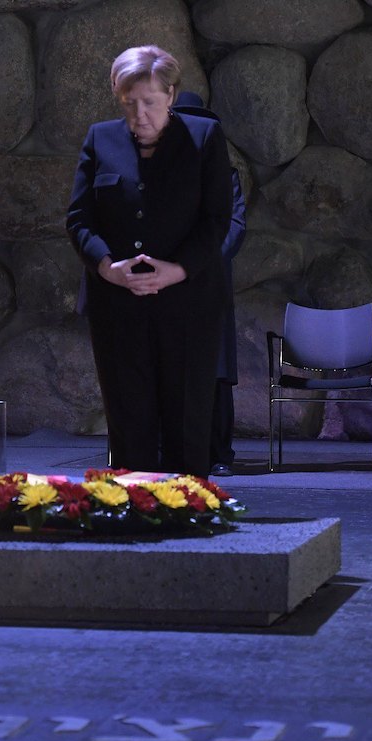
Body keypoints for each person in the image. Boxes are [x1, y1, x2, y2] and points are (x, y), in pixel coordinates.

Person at [66, 45, 232, 477]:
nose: (139, 114)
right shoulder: (100, 139)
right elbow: (79, 219)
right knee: (128, 425)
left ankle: (187, 510)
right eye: (129, 103)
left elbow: (217, 219)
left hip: (188, 306)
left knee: (186, 427)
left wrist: (177, 270)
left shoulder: (204, 138)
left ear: (171, 94)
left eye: (150, 102)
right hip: (118, 307)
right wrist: (107, 267)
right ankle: (132, 510)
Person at [171, 91, 247, 478]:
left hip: (208, 284)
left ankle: (219, 452)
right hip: (168, 287)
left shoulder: (225, 176)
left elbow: (235, 226)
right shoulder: (162, 176)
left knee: (215, 371)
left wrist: (199, 263)